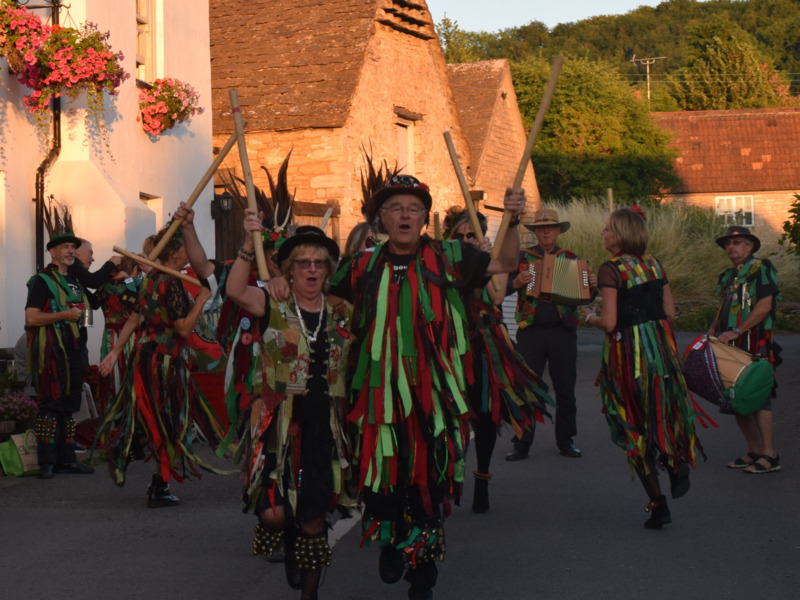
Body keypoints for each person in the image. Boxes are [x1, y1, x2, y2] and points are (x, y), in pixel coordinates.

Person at [269, 174, 524, 600]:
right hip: (376, 400)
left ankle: (422, 574)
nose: (404, 214)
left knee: (429, 485)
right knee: (381, 484)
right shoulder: (362, 265)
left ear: (425, 217)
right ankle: (392, 538)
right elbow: (312, 287)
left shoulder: (452, 256)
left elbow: (505, 264)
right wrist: (279, 281)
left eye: (413, 208)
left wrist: (513, 221)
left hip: (434, 397)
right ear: (381, 218)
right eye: (395, 208)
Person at [226, 215, 354, 600]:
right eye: (303, 263)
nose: (312, 269)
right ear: (289, 271)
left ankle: (309, 593)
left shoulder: (343, 309)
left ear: (328, 270)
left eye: (319, 263)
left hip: (325, 428)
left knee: (314, 516)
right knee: (274, 513)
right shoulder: (272, 301)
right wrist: (250, 244)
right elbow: (234, 290)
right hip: (278, 425)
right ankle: (288, 532)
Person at [583, 207, 702, 528]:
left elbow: (609, 322)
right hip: (662, 354)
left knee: (631, 426)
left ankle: (658, 503)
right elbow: (670, 313)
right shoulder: (654, 264)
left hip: (629, 358)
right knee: (663, 414)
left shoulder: (610, 269)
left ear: (621, 234)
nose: (603, 233)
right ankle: (676, 464)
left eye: (608, 229)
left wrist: (588, 317)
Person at [98, 224, 223, 507]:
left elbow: (134, 319)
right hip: (166, 362)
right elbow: (183, 328)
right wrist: (202, 299)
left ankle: (129, 449)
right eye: (185, 248)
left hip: (143, 358)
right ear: (175, 252)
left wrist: (117, 352)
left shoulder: (151, 280)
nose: (189, 253)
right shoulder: (172, 282)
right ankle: (158, 485)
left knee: (153, 418)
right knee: (172, 421)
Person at [443, 207, 552, 514]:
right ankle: (450, 477)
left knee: (485, 416)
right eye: (459, 236)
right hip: (453, 346)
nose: (465, 240)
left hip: (486, 345)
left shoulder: (493, 263)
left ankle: (482, 480)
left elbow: (495, 295)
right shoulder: (445, 262)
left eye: (471, 235)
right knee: (450, 416)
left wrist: (481, 264)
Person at [505, 209, 590, 461]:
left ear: (557, 231)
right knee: (526, 389)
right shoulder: (522, 259)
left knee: (565, 389)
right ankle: (521, 443)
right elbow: (502, 289)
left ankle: (566, 441)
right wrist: (517, 283)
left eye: (550, 228)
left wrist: (591, 287)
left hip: (562, 332)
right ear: (535, 233)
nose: (545, 232)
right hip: (530, 332)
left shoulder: (571, 258)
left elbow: (585, 296)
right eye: (541, 229)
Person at [707, 225, 781, 474]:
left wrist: (739, 331)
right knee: (736, 398)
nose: (731, 247)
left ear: (750, 246)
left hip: (754, 340)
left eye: (737, 242)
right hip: (730, 343)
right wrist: (712, 330)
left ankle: (770, 455)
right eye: (728, 243)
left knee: (759, 396)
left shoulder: (762, 268)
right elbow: (724, 308)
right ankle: (755, 451)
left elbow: (764, 306)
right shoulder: (728, 275)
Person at [25, 232, 96, 479]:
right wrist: (63, 316)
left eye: (72, 247)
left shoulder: (76, 280)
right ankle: (47, 461)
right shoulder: (42, 281)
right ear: (52, 252)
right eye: (65, 247)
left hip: (77, 350)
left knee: (70, 406)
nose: (70, 251)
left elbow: (92, 305)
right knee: (50, 406)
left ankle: (66, 459)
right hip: (53, 352)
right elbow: (32, 317)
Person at [94, 256, 142, 413]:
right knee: (133, 375)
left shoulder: (102, 287)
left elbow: (90, 305)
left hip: (109, 335)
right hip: (131, 335)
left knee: (111, 377)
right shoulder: (137, 285)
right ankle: (132, 416)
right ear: (134, 269)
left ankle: (113, 417)